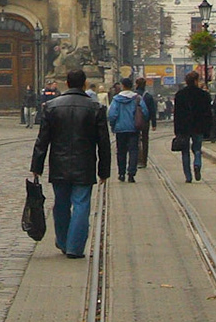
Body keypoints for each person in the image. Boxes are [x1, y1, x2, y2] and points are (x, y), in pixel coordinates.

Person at [30, 67, 111, 258]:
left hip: (59, 162)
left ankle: (63, 240)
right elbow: (104, 143)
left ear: (66, 83)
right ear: (84, 84)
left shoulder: (51, 107)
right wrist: (104, 170)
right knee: (82, 204)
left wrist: (37, 166)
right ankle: (75, 248)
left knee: (61, 203)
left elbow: (42, 140)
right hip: (85, 164)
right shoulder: (96, 108)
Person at [171, 70, 212, 182]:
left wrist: (177, 129)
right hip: (198, 126)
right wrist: (208, 129)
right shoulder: (204, 95)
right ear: (196, 81)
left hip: (184, 127)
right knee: (197, 148)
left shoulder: (180, 95)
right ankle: (197, 164)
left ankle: (188, 177)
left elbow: (177, 114)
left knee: (185, 151)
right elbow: (208, 113)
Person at [108, 79, 143, 182]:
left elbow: (112, 114)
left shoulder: (116, 99)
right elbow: (144, 111)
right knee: (133, 151)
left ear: (122, 86)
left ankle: (121, 173)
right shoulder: (137, 98)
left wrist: (113, 125)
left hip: (120, 129)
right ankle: (131, 174)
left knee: (121, 152)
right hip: (133, 129)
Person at [134, 77, 156, 169]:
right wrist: (154, 123)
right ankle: (144, 161)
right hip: (145, 121)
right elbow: (152, 110)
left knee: (136, 140)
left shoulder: (133, 95)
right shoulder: (148, 96)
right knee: (145, 140)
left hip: (135, 121)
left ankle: (137, 159)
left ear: (137, 84)